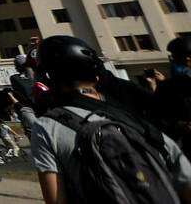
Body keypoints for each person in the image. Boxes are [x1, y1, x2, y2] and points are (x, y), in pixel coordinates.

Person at [29, 34, 191, 204]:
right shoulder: (136, 119)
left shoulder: (46, 127)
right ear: (97, 79)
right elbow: (185, 180)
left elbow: (56, 200)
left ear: (51, 81)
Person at [158, 35, 191, 158]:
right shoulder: (167, 88)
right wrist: (178, 124)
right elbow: (157, 117)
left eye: (176, 58)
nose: (174, 62)